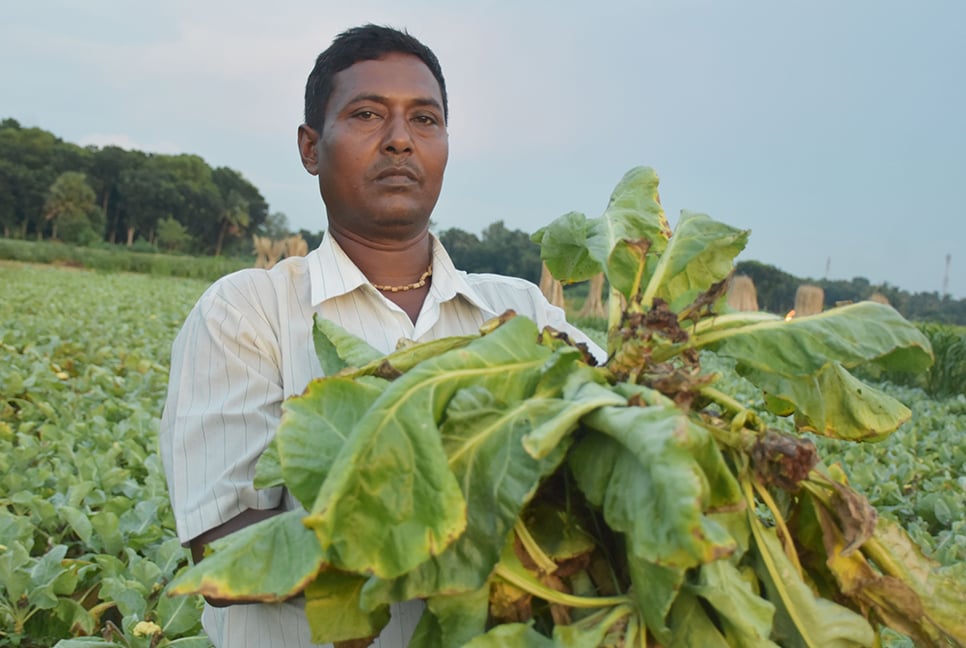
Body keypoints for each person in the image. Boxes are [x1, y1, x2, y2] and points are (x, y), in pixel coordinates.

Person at [159, 23, 604, 647]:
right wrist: (458, 542)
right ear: (311, 147)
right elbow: (230, 552)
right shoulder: (247, 311)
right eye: (367, 114)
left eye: (425, 119)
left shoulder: (522, 311)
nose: (400, 141)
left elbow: (621, 421)